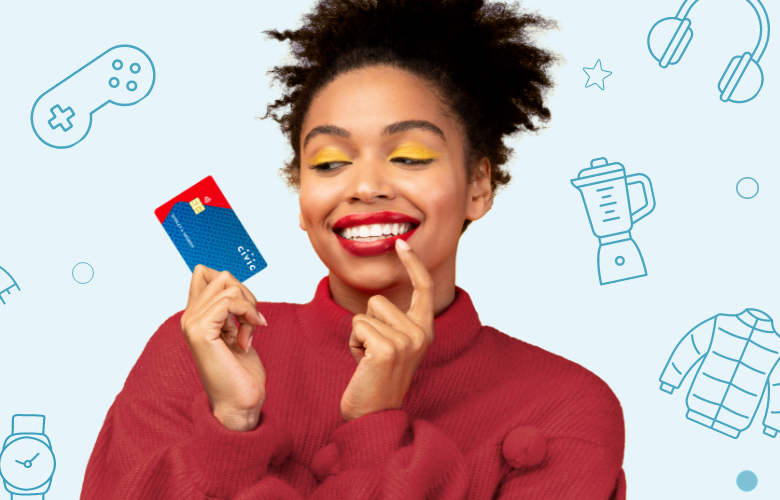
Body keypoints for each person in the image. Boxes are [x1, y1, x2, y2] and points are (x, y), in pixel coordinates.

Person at [79, 0, 626, 498]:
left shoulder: (566, 404)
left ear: (478, 186)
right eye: (329, 163)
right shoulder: (196, 352)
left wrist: (376, 429)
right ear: (302, 199)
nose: (365, 186)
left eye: (410, 155)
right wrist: (232, 424)